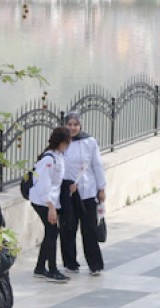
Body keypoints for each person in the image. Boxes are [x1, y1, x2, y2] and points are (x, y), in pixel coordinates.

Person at [60, 112, 107, 276]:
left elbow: (97, 165)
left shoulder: (90, 142)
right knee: (68, 228)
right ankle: (70, 263)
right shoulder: (61, 143)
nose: (72, 128)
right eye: (69, 124)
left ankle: (95, 265)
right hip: (69, 193)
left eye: (75, 125)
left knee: (89, 230)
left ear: (80, 126)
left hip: (88, 191)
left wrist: (102, 188)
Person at [28, 127, 71, 283]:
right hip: (43, 201)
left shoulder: (58, 156)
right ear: (61, 142)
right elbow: (42, 185)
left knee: (51, 232)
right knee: (52, 232)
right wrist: (51, 207)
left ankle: (40, 268)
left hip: (51, 200)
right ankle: (52, 270)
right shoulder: (48, 160)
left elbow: (56, 182)